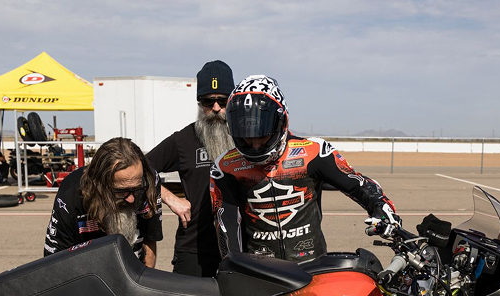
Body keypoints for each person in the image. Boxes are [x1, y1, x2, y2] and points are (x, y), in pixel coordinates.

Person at [211, 75, 399, 262]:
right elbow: (226, 226)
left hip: (312, 267)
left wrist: (382, 208)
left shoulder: (314, 152)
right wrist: (233, 266)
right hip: (262, 272)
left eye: (262, 136)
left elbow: (357, 184)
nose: (255, 145)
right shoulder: (225, 167)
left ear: (281, 122)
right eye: (246, 138)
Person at [147, 60, 234, 276]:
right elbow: (139, 166)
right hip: (194, 250)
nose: (215, 108)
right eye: (208, 101)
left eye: (222, 101)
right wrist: (169, 198)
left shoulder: (246, 138)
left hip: (240, 250)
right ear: (199, 102)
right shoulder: (183, 140)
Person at [44, 137, 162, 266]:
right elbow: (55, 263)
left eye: (136, 189)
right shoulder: (71, 193)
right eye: (121, 191)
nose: (131, 198)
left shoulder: (149, 181)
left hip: (134, 270)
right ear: (99, 185)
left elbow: (150, 240)